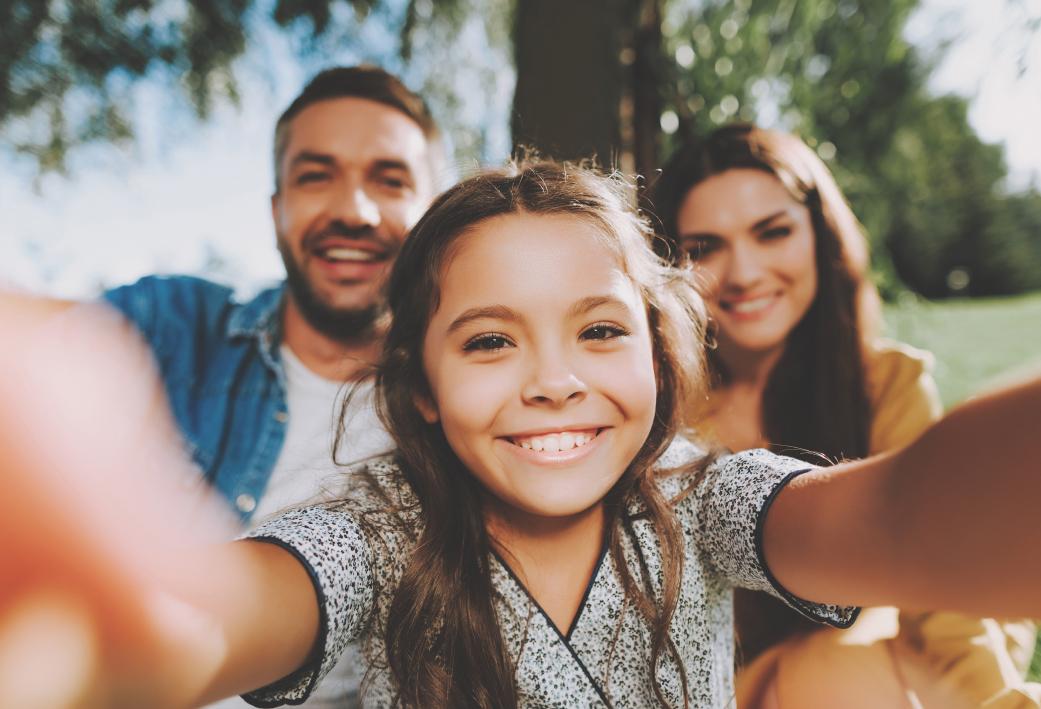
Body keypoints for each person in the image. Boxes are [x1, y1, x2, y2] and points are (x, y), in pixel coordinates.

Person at [1, 160, 1040, 709]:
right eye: (491, 341)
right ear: (418, 391)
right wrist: (120, 633)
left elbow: (894, 514)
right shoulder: (376, 528)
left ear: (662, 356)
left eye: (598, 330)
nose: (555, 382)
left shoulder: (705, 495)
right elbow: (225, 615)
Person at [10, 65, 444, 708]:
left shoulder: (469, 402)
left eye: (389, 179)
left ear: (432, 214)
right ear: (277, 210)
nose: (354, 211)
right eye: (316, 175)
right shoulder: (168, 327)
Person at [650, 123, 1039, 707]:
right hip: (729, 687)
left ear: (820, 236)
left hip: (879, 668)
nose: (745, 273)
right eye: (704, 248)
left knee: (847, 655)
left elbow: (942, 599)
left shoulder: (883, 385)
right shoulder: (657, 413)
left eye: (772, 232)